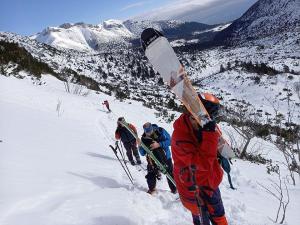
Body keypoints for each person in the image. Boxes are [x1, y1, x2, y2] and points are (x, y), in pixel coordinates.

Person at [171, 93, 228, 225]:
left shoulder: (208, 127)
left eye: (209, 118)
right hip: (193, 189)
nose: (203, 122)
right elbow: (201, 165)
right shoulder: (180, 137)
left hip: (210, 184)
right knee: (201, 217)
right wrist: (209, 135)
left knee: (218, 216)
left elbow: (219, 144)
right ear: (191, 114)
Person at [138, 122, 177, 194]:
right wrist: (140, 146)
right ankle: (152, 189)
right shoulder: (143, 138)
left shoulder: (160, 131)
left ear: (152, 128)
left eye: (150, 131)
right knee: (150, 174)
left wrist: (159, 144)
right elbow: (142, 153)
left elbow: (170, 141)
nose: (149, 133)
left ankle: (174, 190)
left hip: (165, 157)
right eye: (147, 132)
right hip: (152, 160)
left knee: (170, 173)